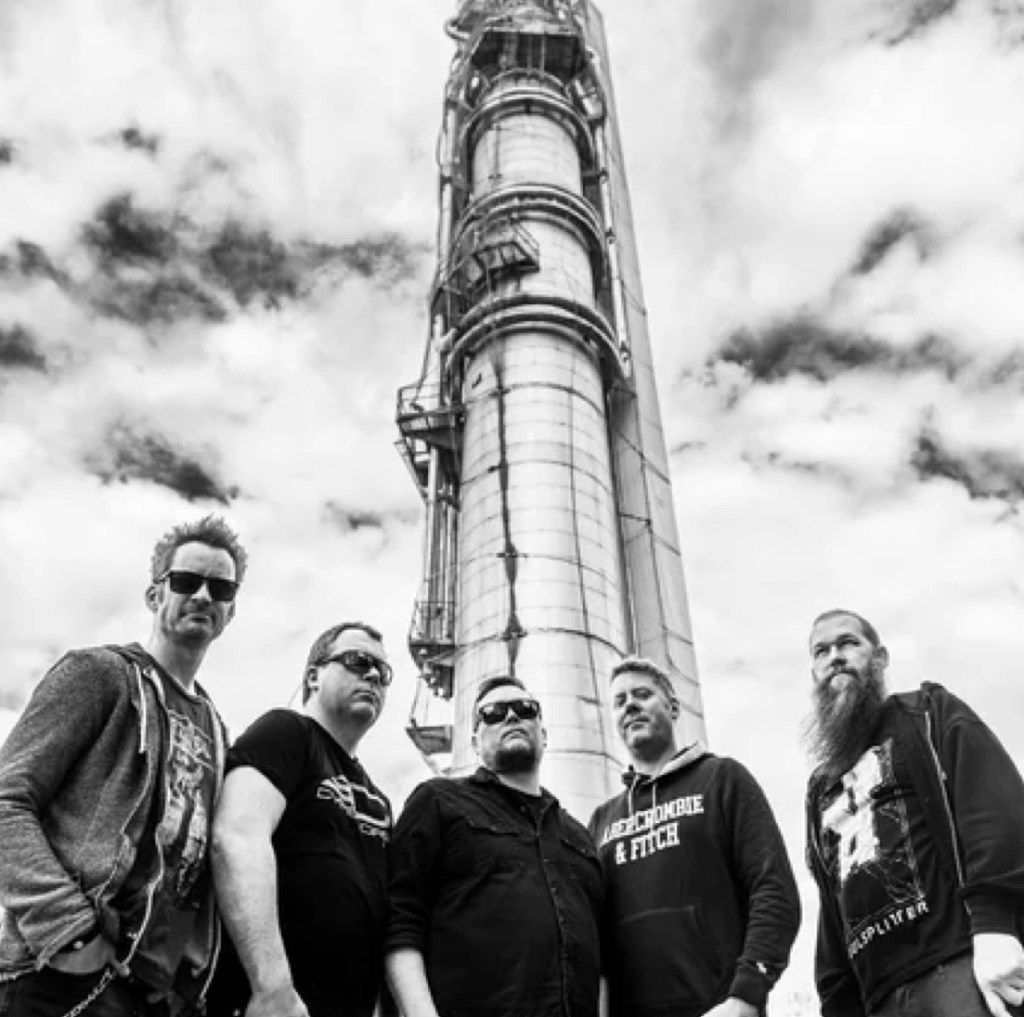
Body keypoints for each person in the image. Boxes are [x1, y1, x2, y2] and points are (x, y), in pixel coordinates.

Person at [0, 514, 247, 1017]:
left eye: (220, 588)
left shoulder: (217, 730)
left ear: (231, 611)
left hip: (147, 990)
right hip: (61, 974)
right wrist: (69, 932)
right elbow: (7, 800)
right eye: (186, 581)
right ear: (155, 595)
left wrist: (173, 979)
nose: (203, 596)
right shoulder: (99, 674)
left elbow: (191, 860)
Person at [804, 608, 1024, 1017]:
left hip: (960, 964)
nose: (835, 657)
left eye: (848, 643)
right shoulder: (821, 788)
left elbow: (995, 810)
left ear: (880, 658)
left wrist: (995, 923)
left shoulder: (927, 712)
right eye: (822, 651)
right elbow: (832, 906)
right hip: (879, 997)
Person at [589, 656, 801, 1017]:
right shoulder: (601, 821)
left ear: (673, 707)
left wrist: (747, 995)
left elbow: (774, 890)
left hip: (719, 1008)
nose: (631, 706)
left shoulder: (722, 779)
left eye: (642, 694)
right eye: (620, 701)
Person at [386, 675, 603, 1017]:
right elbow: (400, 919)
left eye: (525, 709)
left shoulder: (579, 837)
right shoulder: (438, 801)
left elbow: (603, 956)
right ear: (475, 741)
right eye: (493, 713)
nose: (512, 717)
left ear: (544, 734)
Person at [209, 622, 393, 1017]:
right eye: (358, 661)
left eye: (383, 671)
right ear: (313, 676)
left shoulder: (379, 799)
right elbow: (237, 837)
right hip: (278, 1005)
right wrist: (271, 988)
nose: (374, 676)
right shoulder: (286, 733)